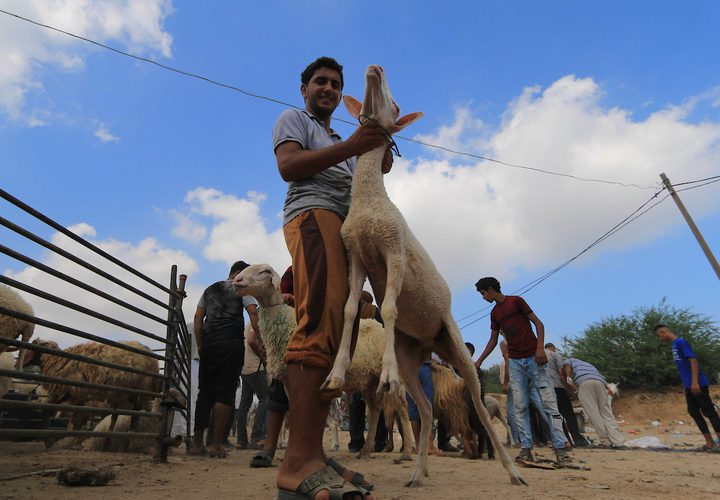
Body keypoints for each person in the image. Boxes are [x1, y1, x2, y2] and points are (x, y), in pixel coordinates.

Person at [474, 277, 569, 463]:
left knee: (548, 403)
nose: (483, 297)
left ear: (491, 289)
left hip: (534, 358)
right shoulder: (494, 313)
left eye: (483, 293)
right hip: (516, 362)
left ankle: (560, 447)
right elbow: (493, 340)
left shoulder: (516, 301)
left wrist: (540, 348)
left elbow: (538, 324)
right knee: (520, 406)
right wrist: (478, 362)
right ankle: (526, 448)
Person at [190, 260, 261, 458]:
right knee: (224, 392)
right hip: (231, 344)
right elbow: (254, 315)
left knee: (205, 393)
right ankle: (215, 445)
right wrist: (262, 340)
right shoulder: (242, 288)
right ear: (238, 273)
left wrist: (201, 344)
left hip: (210, 343)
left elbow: (198, 318)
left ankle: (197, 445)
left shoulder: (210, 289)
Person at [654, 324, 720, 450]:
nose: (660, 339)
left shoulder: (681, 342)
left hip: (697, 383)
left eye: (659, 336)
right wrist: (687, 384)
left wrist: (695, 382)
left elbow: (693, 361)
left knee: (708, 411)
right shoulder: (674, 345)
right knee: (693, 411)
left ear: (663, 332)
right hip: (688, 384)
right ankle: (710, 443)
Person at [347, 291, 388, 453]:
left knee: (356, 403)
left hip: (355, 359)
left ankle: (356, 441)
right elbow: (382, 334)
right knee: (377, 402)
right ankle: (379, 441)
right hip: (373, 358)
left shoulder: (349, 308)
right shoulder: (375, 311)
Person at [565, 357, 625, 448]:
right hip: (600, 383)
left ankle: (605, 442)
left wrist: (569, 381)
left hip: (585, 384)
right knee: (606, 413)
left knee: (594, 414)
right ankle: (618, 441)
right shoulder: (588, 364)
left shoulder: (569, 360)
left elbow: (567, 370)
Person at [545, 343, 590, 447]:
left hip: (546, 389)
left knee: (555, 416)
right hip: (558, 388)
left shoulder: (537, 356)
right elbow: (562, 373)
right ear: (553, 348)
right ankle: (578, 440)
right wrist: (569, 388)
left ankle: (565, 441)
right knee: (568, 415)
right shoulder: (554, 355)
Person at [236, 324, 269, 450]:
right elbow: (251, 340)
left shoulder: (248, 324)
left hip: (245, 368)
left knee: (244, 405)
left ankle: (241, 440)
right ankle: (256, 437)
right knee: (266, 398)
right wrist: (262, 355)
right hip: (255, 368)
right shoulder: (258, 321)